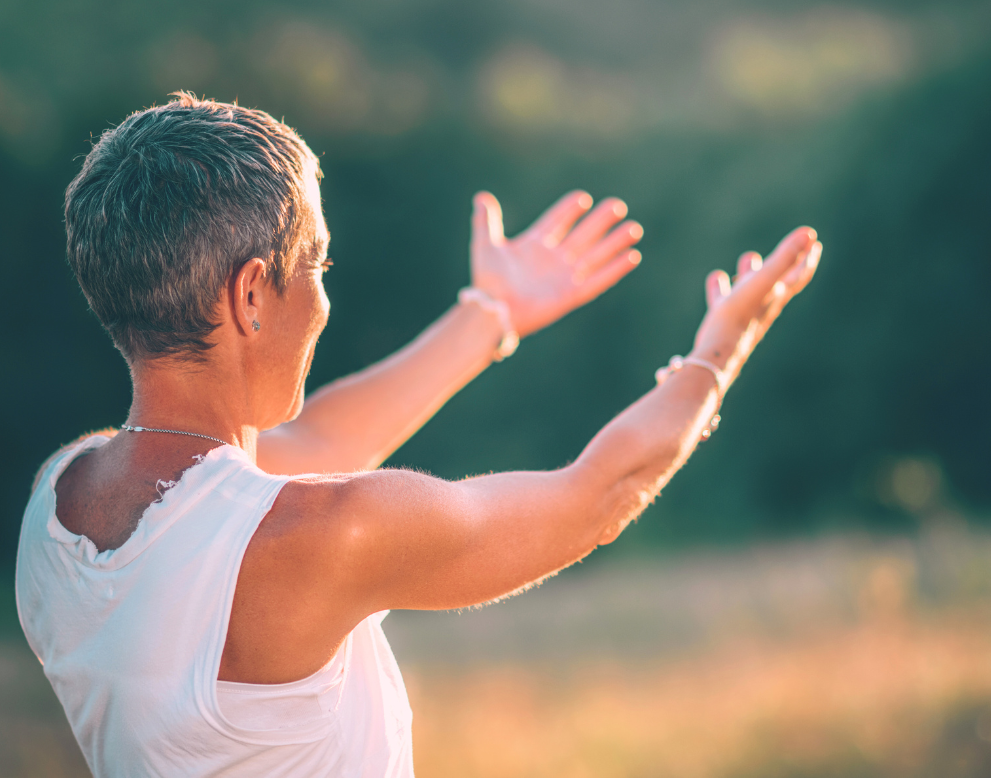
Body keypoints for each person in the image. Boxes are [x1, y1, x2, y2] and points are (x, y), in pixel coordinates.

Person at [16, 92, 821, 777]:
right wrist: (722, 349)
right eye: (318, 268)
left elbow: (312, 441)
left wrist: (492, 315)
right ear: (252, 295)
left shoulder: (59, 501)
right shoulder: (321, 539)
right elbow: (596, 497)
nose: (325, 302)